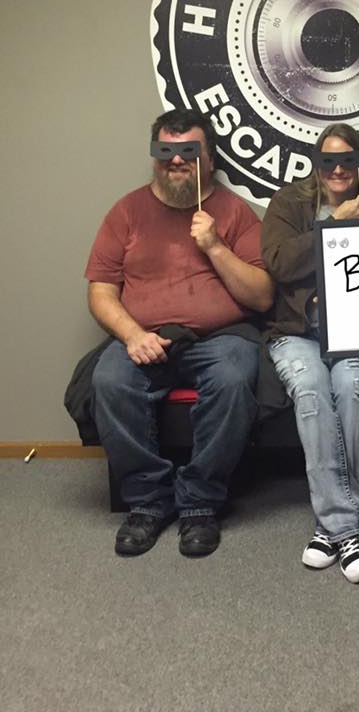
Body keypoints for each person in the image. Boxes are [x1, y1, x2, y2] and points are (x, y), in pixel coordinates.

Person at [87, 109, 274, 557]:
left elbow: (262, 296)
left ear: (209, 160)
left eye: (188, 152)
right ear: (154, 156)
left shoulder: (234, 212)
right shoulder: (126, 212)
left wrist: (214, 246)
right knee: (108, 380)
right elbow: (100, 291)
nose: (176, 161)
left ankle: (199, 502)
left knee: (233, 379)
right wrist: (132, 334)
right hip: (145, 334)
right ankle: (149, 501)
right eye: (166, 151)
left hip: (220, 338)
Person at [261, 123, 359, 584]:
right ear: (317, 163)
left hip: (354, 335)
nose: (337, 169)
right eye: (328, 160)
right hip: (297, 334)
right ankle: (347, 529)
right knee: (311, 393)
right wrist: (333, 226)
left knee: (353, 391)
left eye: (347, 160)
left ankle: (327, 527)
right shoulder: (289, 203)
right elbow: (278, 262)